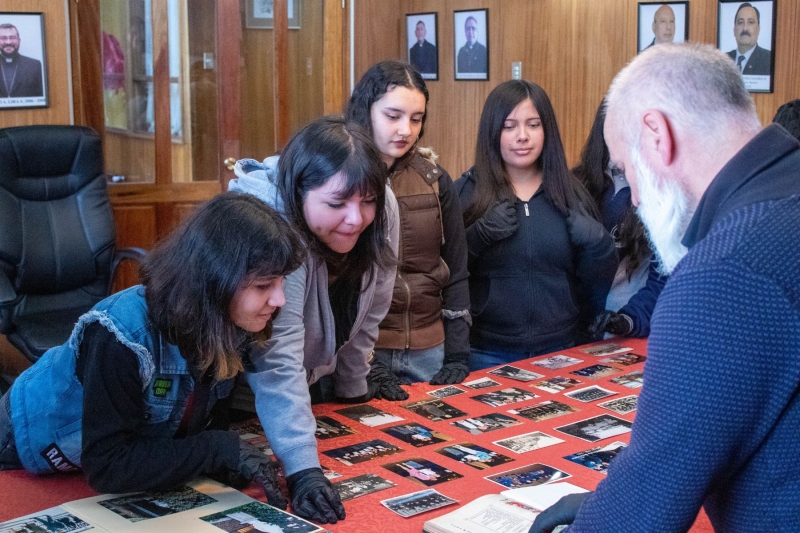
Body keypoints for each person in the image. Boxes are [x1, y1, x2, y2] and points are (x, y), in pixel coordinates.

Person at [530, 43, 800, 532]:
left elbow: (644, 515)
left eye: (625, 168)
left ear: (657, 134)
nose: (632, 196)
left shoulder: (722, 272)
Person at [0, 194, 304, 509]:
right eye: (263, 286)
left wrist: (221, 459)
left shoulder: (231, 318)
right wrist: (219, 450)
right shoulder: (119, 334)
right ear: (215, 280)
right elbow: (108, 467)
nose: (280, 299)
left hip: (95, 463)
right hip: (21, 447)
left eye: (281, 282)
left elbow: (200, 420)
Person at [229, 116, 400, 522]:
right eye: (336, 204)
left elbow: (372, 308)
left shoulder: (382, 202)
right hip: (240, 396)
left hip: (308, 390)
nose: (356, 219)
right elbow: (277, 355)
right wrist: (303, 469)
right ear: (298, 192)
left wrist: (353, 391)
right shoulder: (273, 221)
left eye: (367, 202)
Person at [455, 80, 617, 370]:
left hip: (561, 351)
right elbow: (446, 274)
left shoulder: (572, 192)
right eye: (509, 126)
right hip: (486, 353)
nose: (522, 136)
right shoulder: (466, 192)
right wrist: (476, 237)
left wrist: (601, 247)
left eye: (533, 125)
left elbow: (596, 282)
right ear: (492, 131)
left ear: (547, 130)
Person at [345, 61, 471, 386]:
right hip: (359, 353)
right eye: (393, 116)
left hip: (429, 350)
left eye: (416, 119)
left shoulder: (434, 180)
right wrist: (366, 361)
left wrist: (457, 352)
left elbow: (456, 271)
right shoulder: (338, 177)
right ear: (366, 111)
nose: (406, 130)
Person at [572, 101, 666, 339]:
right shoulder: (575, 183)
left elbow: (662, 279)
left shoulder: (662, 192)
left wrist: (627, 320)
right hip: (567, 327)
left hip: (625, 328)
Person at [0, 23, 44, 98]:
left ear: (19, 40)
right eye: (3, 38)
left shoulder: (35, 65)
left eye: (12, 38)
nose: (8, 42)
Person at [726, 2, 771, 76]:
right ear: (734, 30)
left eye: (750, 22)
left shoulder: (769, 59)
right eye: (740, 22)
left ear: (758, 29)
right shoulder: (724, 60)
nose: (745, 28)